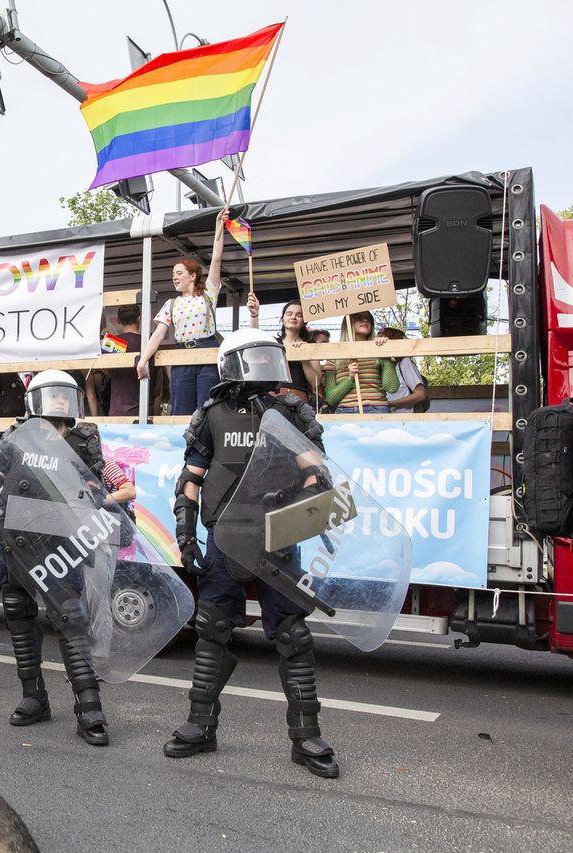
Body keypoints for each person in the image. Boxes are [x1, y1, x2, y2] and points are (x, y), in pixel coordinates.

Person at [164, 328, 340, 778]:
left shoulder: (289, 411)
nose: (264, 366)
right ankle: (200, 726)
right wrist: (185, 539)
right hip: (225, 538)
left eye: (269, 357)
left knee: (291, 635)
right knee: (212, 630)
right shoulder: (212, 414)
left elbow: (317, 477)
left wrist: (297, 498)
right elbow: (190, 481)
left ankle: (306, 736)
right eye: (255, 358)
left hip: (276, 537)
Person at [0, 369, 114, 747]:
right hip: (17, 541)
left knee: (72, 619)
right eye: (50, 395)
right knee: (18, 614)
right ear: (35, 400)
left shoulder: (84, 438)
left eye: (63, 395)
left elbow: (93, 490)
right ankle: (33, 697)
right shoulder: (17, 436)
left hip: (61, 543)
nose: (57, 402)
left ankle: (89, 709)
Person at [136, 210, 228, 416]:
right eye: (172, 274)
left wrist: (219, 228)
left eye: (179, 273)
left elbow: (216, 260)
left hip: (207, 351)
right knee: (181, 411)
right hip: (182, 354)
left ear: (192, 276)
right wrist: (143, 360)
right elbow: (158, 334)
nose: (174, 278)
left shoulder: (208, 295)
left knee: (208, 408)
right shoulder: (170, 304)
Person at [322, 311, 397, 414]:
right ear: (347, 323)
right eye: (358, 317)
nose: (365, 320)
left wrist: (385, 354)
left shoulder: (378, 350)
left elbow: (392, 388)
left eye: (368, 318)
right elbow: (331, 399)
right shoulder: (334, 356)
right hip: (346, 411)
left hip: (378, 409)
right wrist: (350, 378)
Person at [87, 305, 144, 417]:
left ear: (118, 320)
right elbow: (157, 389)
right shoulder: (150, 342)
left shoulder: (114, 342)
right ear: (139, 318)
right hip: (146, 409)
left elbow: (104, 368)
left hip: (119, 410)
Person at [376, 327, 429, 413]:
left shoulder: (405, 363)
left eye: (384, 338)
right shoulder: (390, 366)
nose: (379, 342)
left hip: (405, 418)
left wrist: (390, 404)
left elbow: (420, 394)